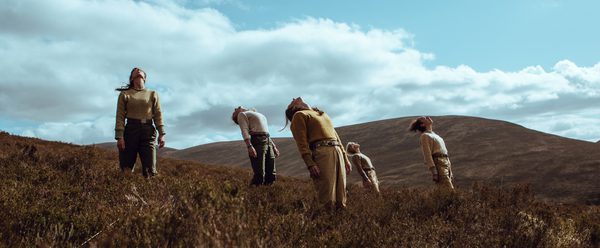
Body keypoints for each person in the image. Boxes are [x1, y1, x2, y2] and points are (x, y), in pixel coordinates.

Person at [284, 97, 352, 209]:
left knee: (341, 193)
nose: (294, 98)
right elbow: (302, 144)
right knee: (327, 192)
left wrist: (345, 158)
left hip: (337, 151)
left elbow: (337, 137)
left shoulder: (322, 114)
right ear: (293, 108)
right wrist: (310, 163)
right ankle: (324, 221)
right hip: (322, 152)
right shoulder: (299, 115)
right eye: (291, 101)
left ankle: (339, 221)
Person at [115, 67, 165, 178]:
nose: (138, 70)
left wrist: (161, 133)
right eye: (135, 71)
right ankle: (124, 193)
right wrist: (120, 136)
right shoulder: (125, 94)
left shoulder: (152, 94)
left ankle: (151, 194)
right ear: (132, 78)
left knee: (150, 170)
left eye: (140, 71)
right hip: (130, 131)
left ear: (145, 78)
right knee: (126, 169)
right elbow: (120, 116)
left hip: (148, 131)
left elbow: (158, 114)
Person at [232, 106, 280, 186]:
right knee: (260, 172)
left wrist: (273, 146)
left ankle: (267, 192)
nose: (235, 108)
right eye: (234, 112)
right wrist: (249, 146)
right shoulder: (242, 114)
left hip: (267, 141)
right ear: (236, 116)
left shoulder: (258, 114)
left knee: (271, 172)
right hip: (258, 140)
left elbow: (266, 132)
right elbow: (244, 130)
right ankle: (254, 190)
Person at [408, 116, 454, 189]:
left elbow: (445, 153)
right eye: (424, 118)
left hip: (446, 162)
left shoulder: (437, 136)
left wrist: (450, 169)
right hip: (439, 163)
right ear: (422, 125)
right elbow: (427, 155)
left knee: (445, 189)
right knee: (449, 189)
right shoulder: (424, 136)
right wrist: (434, 171)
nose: (427, 117)